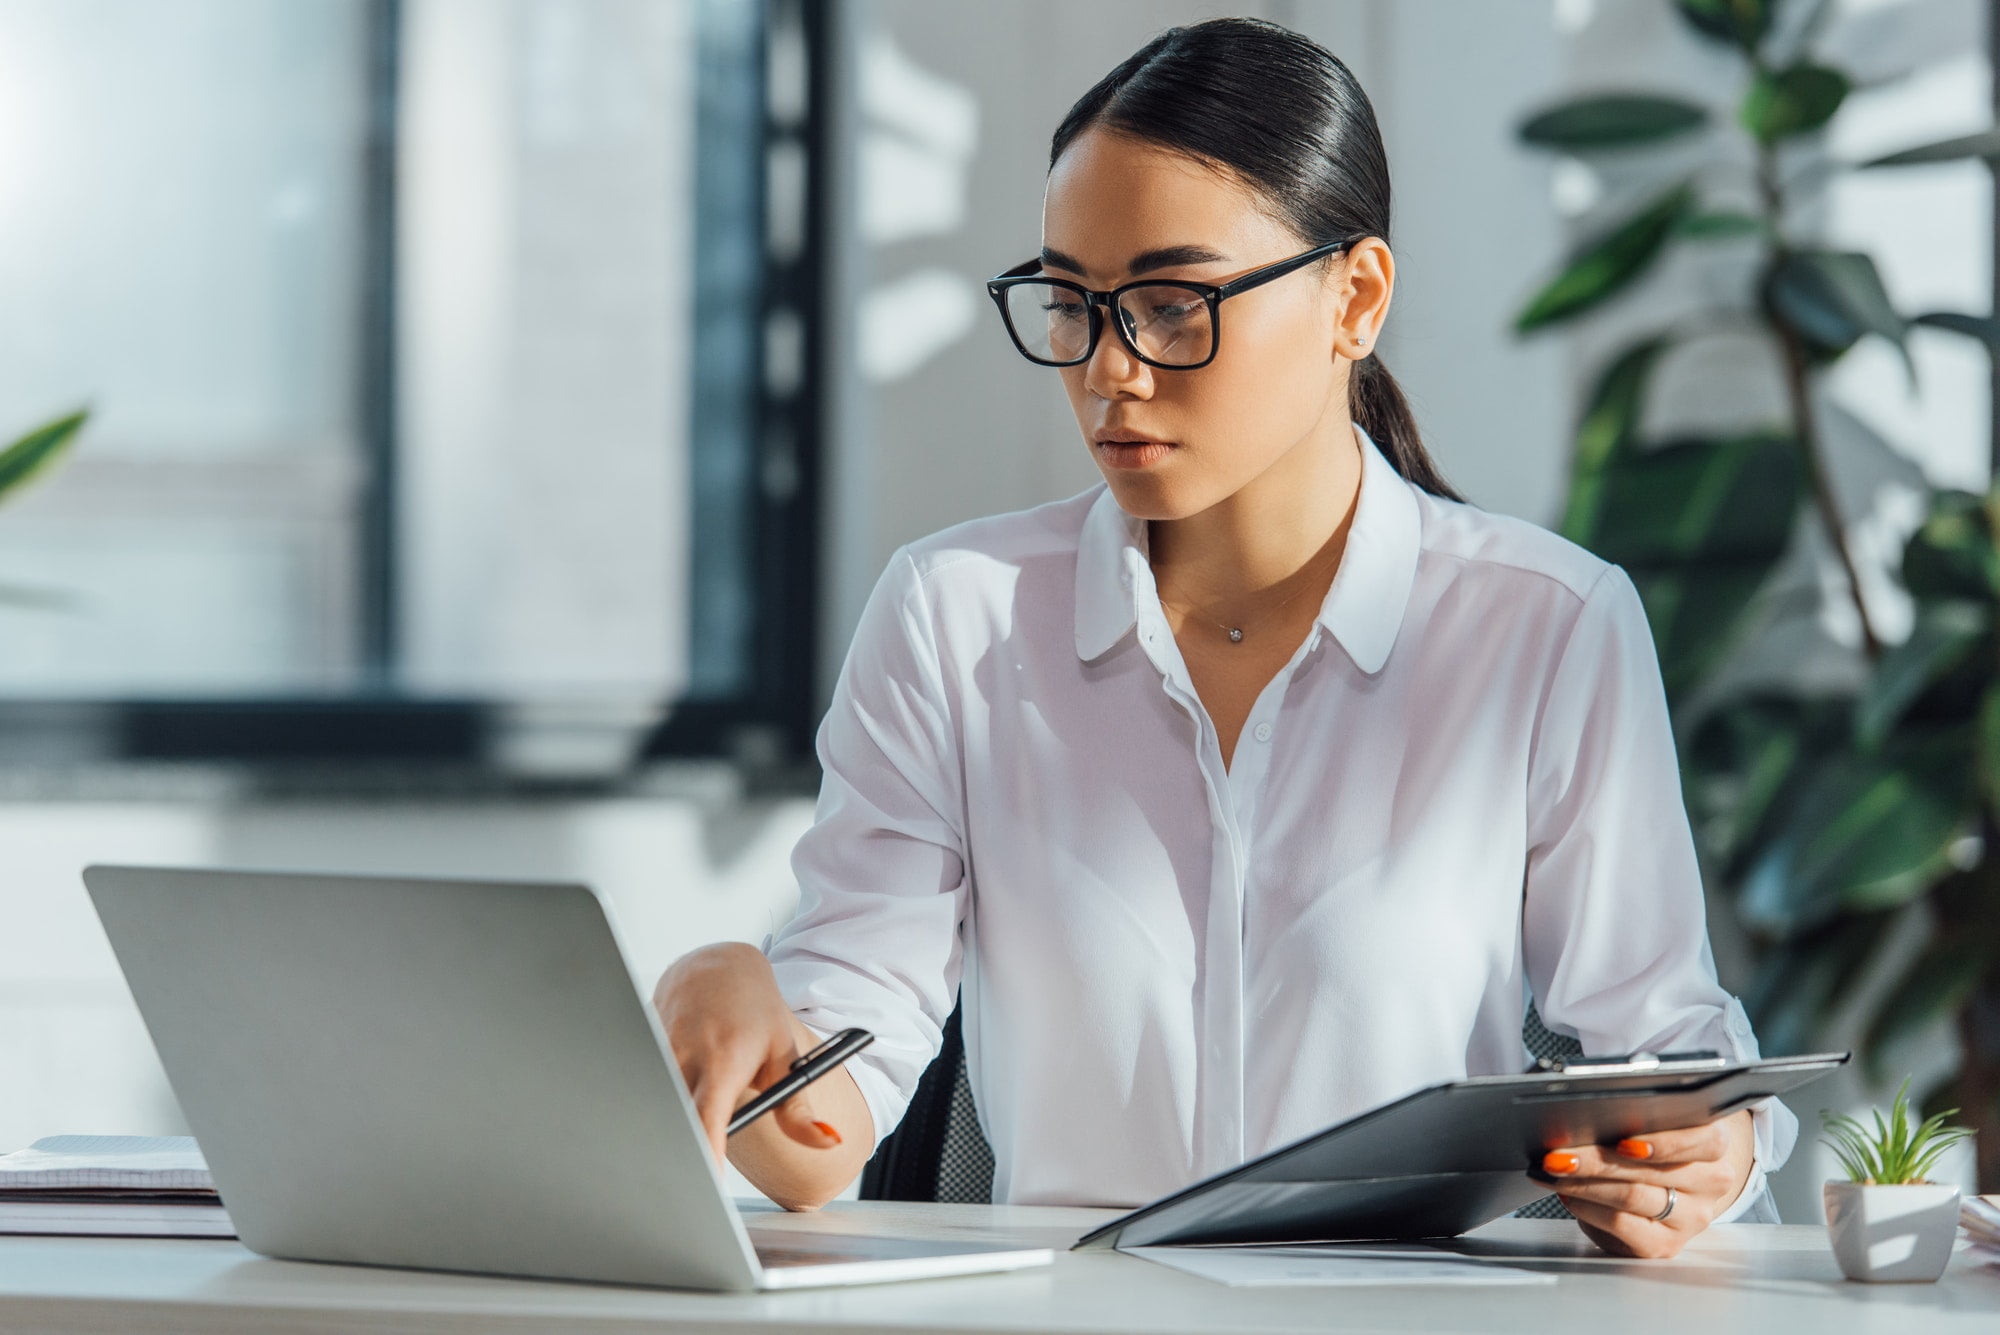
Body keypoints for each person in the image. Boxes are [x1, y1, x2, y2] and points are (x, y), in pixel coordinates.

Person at [653, 16, 1796, 1260]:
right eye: (1073, 304)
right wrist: (737, 1009)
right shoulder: (955, 616)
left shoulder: (1543, 625)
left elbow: (1667, 1053)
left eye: (1170, 303)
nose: (1108, 371)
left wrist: (1700, 1157)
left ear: (1352, 297)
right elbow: (826, 1132)